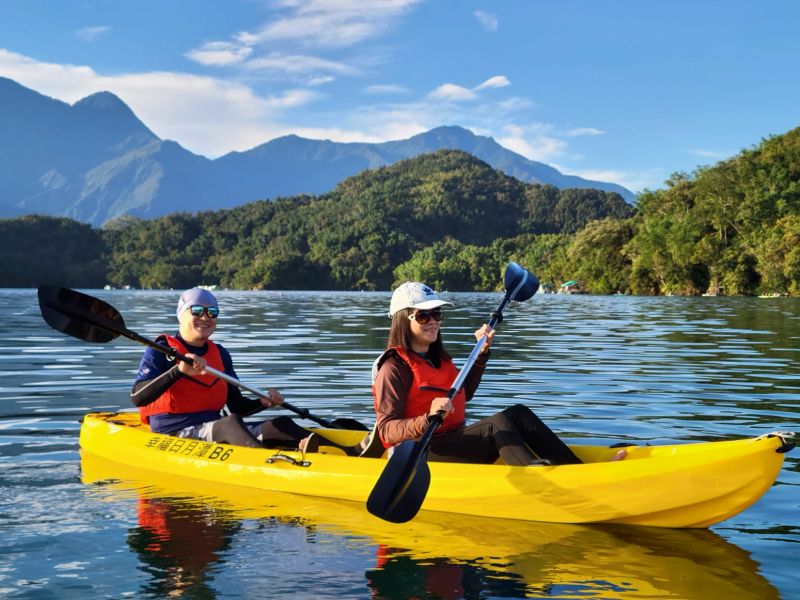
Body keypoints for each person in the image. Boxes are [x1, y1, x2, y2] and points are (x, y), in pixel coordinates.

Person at [372, 281, 586, 466]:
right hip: (416, 453)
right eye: (423, 316)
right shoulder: (393, 368)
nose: (434, 321)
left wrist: (482, 354)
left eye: (437, 313)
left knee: (518, 414)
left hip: (449, 440)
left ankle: (576, 469)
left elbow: (465, 393)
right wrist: (426, 418)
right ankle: (541, 481)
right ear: (403, 320)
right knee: (496, 425)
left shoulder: (438, 360)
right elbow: (386, 430)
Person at [131, 287, 309, 449]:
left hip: (214, 427)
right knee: (229, 424)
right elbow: (138, 398)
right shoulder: (161, 350)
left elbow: (237, 406)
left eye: (212, 313)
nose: (205, 318)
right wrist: (178, 371)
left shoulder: (220, 354)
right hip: (174, 431)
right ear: (181, 314)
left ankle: (333, 453)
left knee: (280, 425)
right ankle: (267, 463)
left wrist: (262, 403)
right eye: (197, 311)